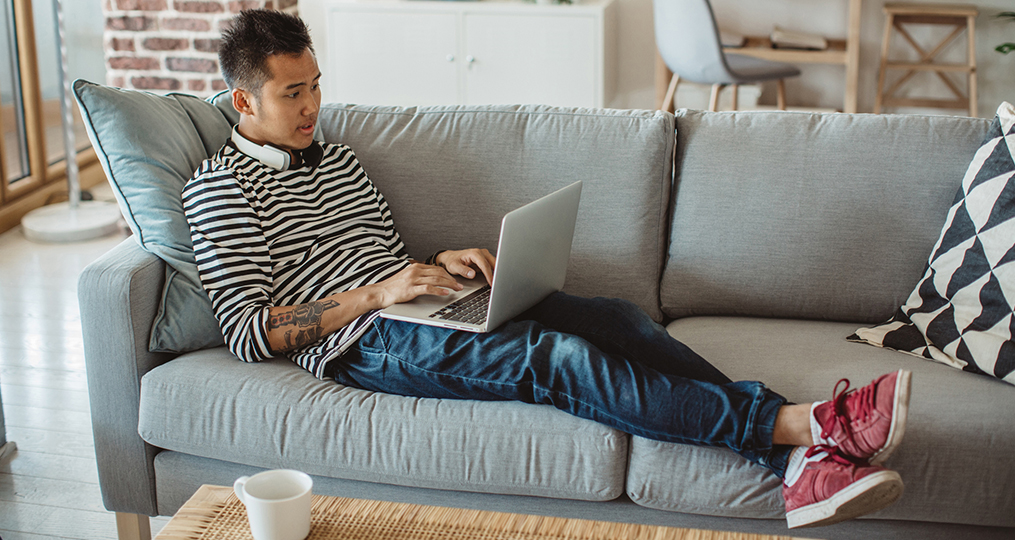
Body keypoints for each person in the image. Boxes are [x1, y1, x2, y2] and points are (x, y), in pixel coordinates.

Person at [182, 9, 912, 529]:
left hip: (414, 301)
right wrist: (380, 292)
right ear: (244, 99)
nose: (313, 105)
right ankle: (802, 424)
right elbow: (250, 330)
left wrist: (438, 264)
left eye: (315, 84)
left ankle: (796, 468)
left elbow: (382, 253)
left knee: (613, 319)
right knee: (555, 357)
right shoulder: (217, 188)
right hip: (357, 340)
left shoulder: (337, 159)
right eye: (292, 93)